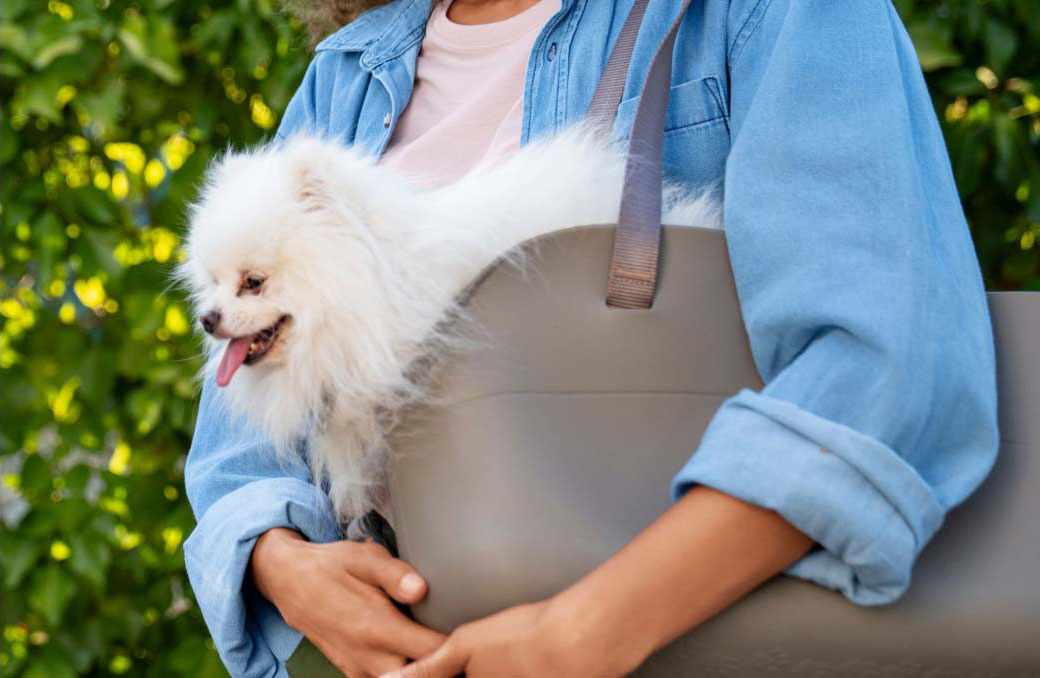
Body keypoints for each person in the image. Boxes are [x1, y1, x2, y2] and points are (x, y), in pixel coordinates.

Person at [182, 1, 999, 676]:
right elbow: (237, 453)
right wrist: (287, 570)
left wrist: (588, 630)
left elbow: (880, 367)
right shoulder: (348, 79)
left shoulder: (769, 13)